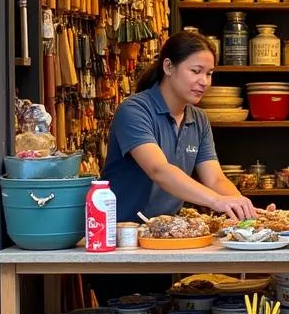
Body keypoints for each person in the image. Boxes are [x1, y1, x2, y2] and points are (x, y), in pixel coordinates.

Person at [101, 30, 256, 223]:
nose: (204, 82)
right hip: (119, 234)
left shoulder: (198, 119)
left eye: (209, 74)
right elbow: (159, 170)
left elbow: (215, 179)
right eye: (196, 71)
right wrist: (216, 201)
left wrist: (243, 208)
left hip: (166, 232)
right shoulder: (134, 110)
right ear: (168, 66)